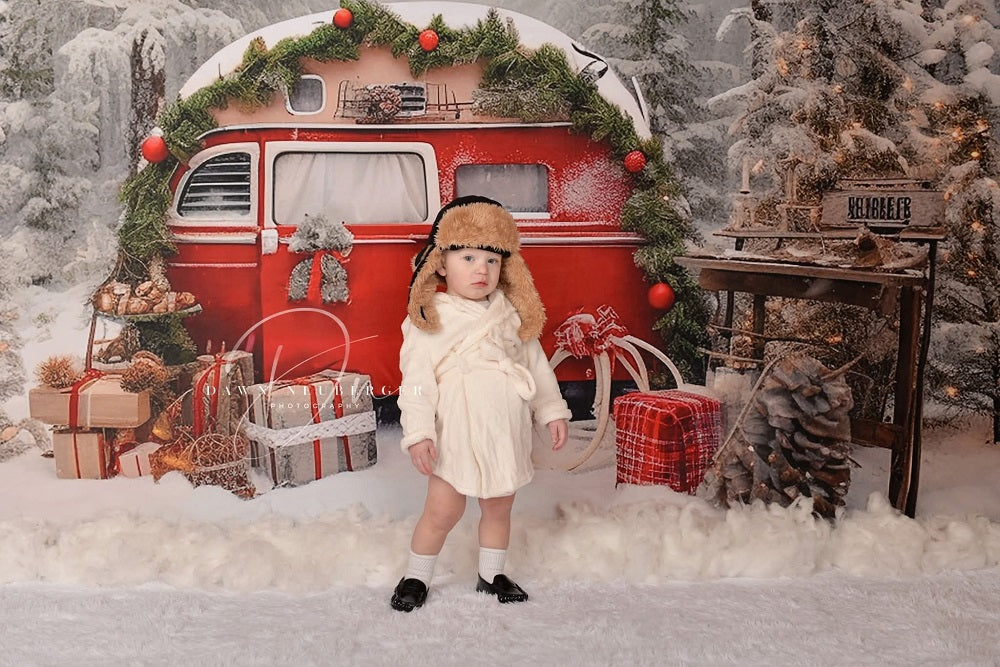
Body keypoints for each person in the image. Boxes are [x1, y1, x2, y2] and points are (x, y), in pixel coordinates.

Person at [391, 195, 571, 612]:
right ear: (440, 262)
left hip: (503, 427)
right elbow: (416, 383)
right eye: (468, 257)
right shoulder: (430, 317)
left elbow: (536, 364)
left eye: (492, 260)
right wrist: (418, 433)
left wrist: (551, 410)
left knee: (498, 506)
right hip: (455, 430)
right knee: (442, 510)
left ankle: (492, 574)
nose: (481, 269)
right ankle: (416, 575)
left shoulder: (509, 313)